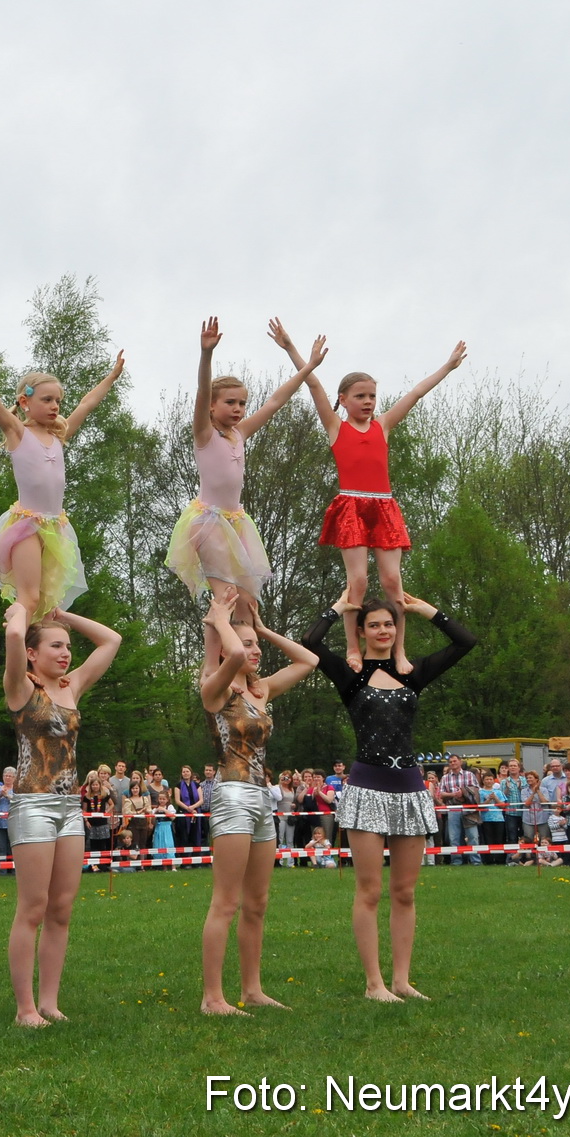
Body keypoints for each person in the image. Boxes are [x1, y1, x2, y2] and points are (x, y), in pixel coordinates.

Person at [302, 592, 475, 1002]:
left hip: (410, 789)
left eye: (389, 624)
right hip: (365, 789)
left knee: (405, 892)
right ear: (361, 631)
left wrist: (423, 610)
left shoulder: (412, 671)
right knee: (370, 891)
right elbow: (309, 644)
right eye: (374, 624)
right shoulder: (351, 673)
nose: (383, 630)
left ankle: (401, 980)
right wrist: (339, 608)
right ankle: (373, 983)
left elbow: (465, 642)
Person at [296, 331, 467, 671]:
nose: (368, 401)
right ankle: (353, 648)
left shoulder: (383, 425)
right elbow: (313, 386)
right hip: (352, 506)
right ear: (343, 399)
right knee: (357, 581)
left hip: (383, 507)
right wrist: (295, 351)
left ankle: (399, 651)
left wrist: (447, 367)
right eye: (360, 396)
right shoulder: (336, 428)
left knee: (392, 581)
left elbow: (416, 393)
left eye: (372, 395)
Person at [197, 590, 317, 1016]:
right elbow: (225, 654)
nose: (253, 651)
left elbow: (309, 662)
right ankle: (213, 998)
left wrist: (262, 628)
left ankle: (252, 989)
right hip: (231, 795)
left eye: (256, 647)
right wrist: (220, 619)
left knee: (258, 901)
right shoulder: (215, 690)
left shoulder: (260, 692)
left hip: (261, 799)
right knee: (226, 902)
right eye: (247, 644)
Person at [0, 334, 120, 621]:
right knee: (30, 597)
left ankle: (32, 654)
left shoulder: (58, 437)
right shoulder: (18, 433)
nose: (55, 406)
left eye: (58, 401)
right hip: (26, 526)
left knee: (50, 606)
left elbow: (87, 404)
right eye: (47, 399)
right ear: (25, 401)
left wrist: (111, 377)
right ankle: (13, 635)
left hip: (57, 528)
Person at [3, 603, 120, 1025]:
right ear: (33, 653)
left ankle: (49, 1002)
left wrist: (65, 617)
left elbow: (112, 641)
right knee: (32, 907)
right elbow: (15, 637)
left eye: (68, 646)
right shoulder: (20, 687)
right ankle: (25, 1009)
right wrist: (21, 609)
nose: (66, 652)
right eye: (55, 645)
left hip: (70, 808)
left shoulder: (72, 686)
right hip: (33, 804)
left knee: (61, 908)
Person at [168, 317, 322, 618]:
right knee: (225, 594)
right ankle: (212, 665)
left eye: (242, 403)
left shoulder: (241, 433)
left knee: (247, 601)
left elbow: (276, 400)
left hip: (237, 521)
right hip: (209, 521)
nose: (238, 409)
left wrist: (309, 366)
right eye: (230, 403)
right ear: (212, 406)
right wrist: (206, 353)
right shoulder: (204, 434)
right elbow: (202, 390)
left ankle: (240, 660)